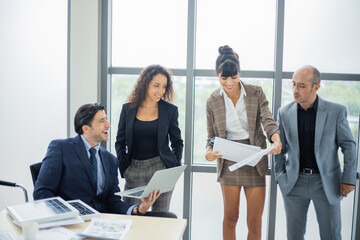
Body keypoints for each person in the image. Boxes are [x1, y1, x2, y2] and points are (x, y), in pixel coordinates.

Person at [205, 45, 282, 240]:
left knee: (254, 222)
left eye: (234, 76)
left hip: (254, 158)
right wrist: (208, 151)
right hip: (228, 158)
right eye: (224, 78)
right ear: (217, 75)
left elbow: (268, 120)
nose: (229, 82)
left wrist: (276, 138)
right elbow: (211, 136)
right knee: (231, 218)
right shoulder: (212, 100)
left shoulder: (256, 92)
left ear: (239, 73)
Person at [33, 103, 162, 216]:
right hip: (71, 222)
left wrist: (138, 208)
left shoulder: (110, 160)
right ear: (86, 128)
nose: (108, 125)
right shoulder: (61, 148)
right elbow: (42, 192)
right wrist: (65, 216)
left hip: (101, 222)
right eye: (101, 121)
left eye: (106, 120)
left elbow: (113, 202)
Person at [275, 65, 357, 240]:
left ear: (316, 87)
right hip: (294, 183)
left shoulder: (336, 111)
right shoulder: (284, 112)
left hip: (326, 182)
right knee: (294, 236)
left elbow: (349, 146)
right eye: (294, 84)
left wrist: (348, 179)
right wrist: (280, 176)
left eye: (302, 86)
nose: (295, 90)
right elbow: (279, 148)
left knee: (332, 235)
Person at [115, 64, 183, 212]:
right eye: (156, 85)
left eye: (164, 86)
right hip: (134, 170)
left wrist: (173, 168)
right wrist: (125, 168)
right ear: (145, 84)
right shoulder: (128, 109)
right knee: (131, 216)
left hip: (161, 170)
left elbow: (177, 142)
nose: (161, 91)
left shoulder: (170, 111)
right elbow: (120, 142)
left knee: (161, 219)